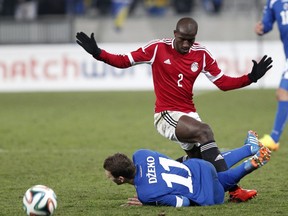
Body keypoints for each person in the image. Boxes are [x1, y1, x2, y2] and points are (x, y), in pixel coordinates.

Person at [76, 17, 273, 202]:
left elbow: (222, 82)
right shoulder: (157, 48)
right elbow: (124, 60)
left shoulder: (201, 54)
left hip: (189, 114)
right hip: (166, 115)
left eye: (191, 40)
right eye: (182, 39)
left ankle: (241, 167)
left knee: (202, 164)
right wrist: (97, 53)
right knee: (205, 131)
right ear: (174, 34)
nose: (186, 44)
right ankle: (235, 187)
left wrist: (250, 78)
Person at [103, 131, 271, 207]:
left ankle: (249, 165)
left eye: (109, 176)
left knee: (218, 185)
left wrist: (149, 202)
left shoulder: (146, 194)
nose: (107, 178)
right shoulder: (141, 154)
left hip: (206, 194)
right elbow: (166, 162)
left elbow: (183, 202)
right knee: (212, 166)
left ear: (121, 179)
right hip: (199, 167)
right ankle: (249, 150)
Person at [255, 0, 288, 151]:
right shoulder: (273, 2)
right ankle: (273, 139)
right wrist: (262, 27)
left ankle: (274, 139)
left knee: (283, 93)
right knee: (283, 93)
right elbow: (267, 22)